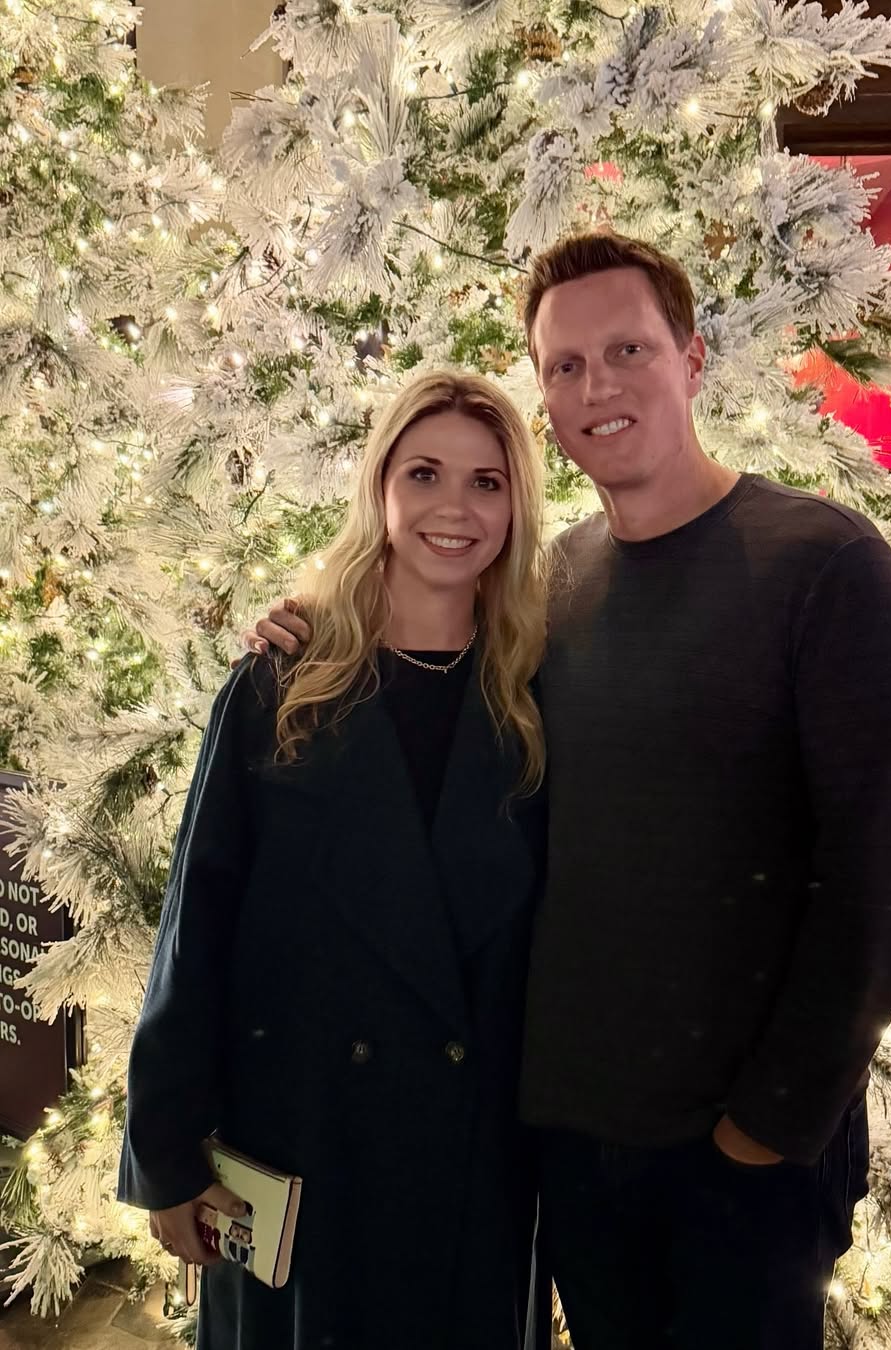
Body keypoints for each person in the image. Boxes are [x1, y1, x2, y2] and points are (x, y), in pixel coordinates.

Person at [249, 231, 891, 1350]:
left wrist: (768, 1128)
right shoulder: (551, 584)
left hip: (744, 1156)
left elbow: (886, 876)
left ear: (694, 358)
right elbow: (427, 671)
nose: (596, 387)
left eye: (628, 350)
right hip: (571, 1142)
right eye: (565, 366)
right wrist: (315, 623)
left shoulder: (824, 565)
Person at [118, 372, 549, 1350]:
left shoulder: (534, 694)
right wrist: (168, 1153)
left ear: (517, 504)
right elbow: (196, 926)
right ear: (380, 486)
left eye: (486, 482)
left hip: (472, 1161)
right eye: (425, 473)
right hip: (301, 1136)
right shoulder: (282, 683)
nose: (454, 508)